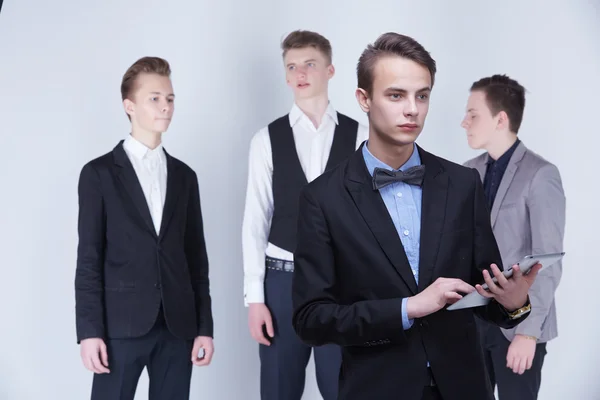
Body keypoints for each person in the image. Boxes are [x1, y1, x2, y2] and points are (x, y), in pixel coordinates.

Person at [291, 32, 540, 400]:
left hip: (465, 387)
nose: (413, 109)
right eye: (396, 95)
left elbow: (483, 291)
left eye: (422, 96)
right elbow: (311, 320)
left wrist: (513, 302)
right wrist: (409, 308)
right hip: (377, 389)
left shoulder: (462, 183)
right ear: (364, 99)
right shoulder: (323, 198)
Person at [75, 56, 214, 400]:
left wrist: (204, 328)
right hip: (120, 328)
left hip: (177, 326)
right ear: (129, 106)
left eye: (169, 99)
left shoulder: (185, 177)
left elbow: (196, 258)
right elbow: (89, 259)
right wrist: (89, 332)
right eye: (154, 98)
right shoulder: (99, 174)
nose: (165, 106)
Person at [241, 30, 368, 400]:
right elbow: (255, 220)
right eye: (292, 66)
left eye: (309, 64)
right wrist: (255, 300)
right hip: (281, 285)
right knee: (279, 390)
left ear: (329, 70)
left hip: (341, 286)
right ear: (285, 75)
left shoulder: (360, 136)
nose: (300, 73)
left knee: (344, 387)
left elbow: (371, 221)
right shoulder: (265, 139)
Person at [462, 74, 566, 400]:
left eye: (473, 114)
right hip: (472, 321)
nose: (463, 122)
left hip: (517, 327)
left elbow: (547, 261)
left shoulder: (540, 174)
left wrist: (528, 334)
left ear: (500, 119)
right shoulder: (466, 172)